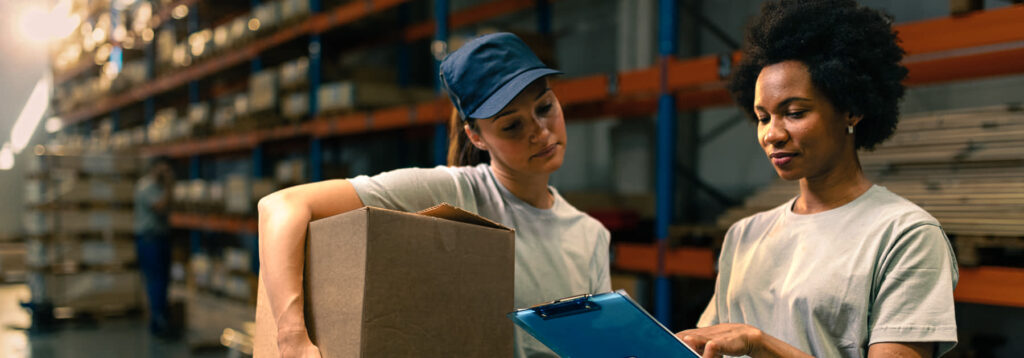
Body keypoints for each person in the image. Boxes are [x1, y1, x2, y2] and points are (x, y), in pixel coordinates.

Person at [258, 32, 611, 358]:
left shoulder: (590, 236)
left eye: (545, 107)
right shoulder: (455, 192)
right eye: (512, 125)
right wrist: (292, 339)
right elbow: (280, 205)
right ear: (476, 137)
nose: (540, 131)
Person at [674, 1, 958, 357]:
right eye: (763, 118)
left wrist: (760, 343)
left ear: (851, 110)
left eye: (794, 113)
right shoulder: (744, 236)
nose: (772, 134)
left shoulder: (904, 236)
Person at [133, 156, 176, 337]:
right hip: (149, 240)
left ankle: (159, 320)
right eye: (163, 169)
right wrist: (169, 186)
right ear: (154, 168)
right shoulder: (146, 187)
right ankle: (158, 322)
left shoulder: (159, 188)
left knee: (164, 281)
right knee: (156, 281)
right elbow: (160, 207)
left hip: (161, 238)